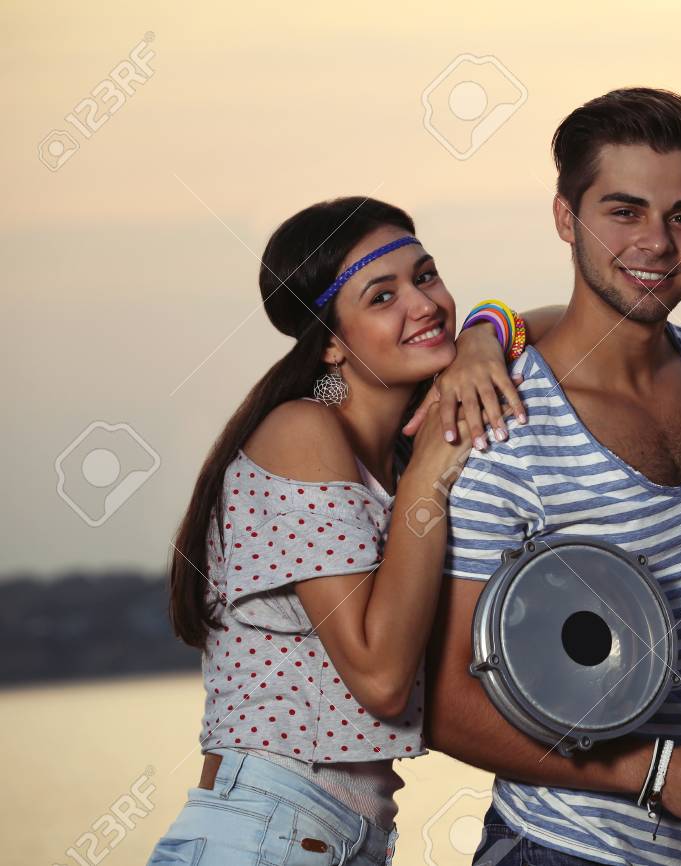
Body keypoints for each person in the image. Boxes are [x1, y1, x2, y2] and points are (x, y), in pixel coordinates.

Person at [420, 88, 681, 866]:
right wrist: (657, 774)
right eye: (624, 211)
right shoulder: (499, 422)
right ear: (566, 217)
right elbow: (447, 706)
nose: (656, 241)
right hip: (565, 848)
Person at [147, 196, 543, 865]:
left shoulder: (387, 452)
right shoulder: (303, 430)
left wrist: (483, 334)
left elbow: (560, 325)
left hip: (332, 838)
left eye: (425, 276)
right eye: (382, 296)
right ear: (330, 341)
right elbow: (381, 680)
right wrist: (429, 476)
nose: (423, 304)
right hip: (265, 832)